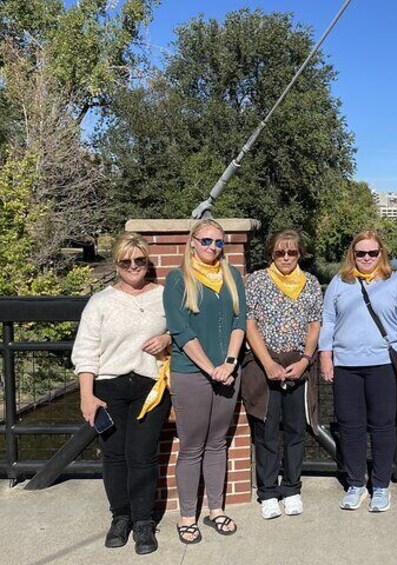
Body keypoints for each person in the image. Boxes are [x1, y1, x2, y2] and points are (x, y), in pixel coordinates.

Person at [72, 232, 172, 555]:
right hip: (109, 388)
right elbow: (86, 352)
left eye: (139, 260)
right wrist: (87, 395)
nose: (133, 266)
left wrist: (168, 339)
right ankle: (120, 516)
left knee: (142, 455)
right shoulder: (100, 302)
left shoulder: (163, 296)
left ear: (147, 261)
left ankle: (143, 521)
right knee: (114, 456)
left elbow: (185, 330)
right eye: (126, 261)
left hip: (150, 386)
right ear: (116, 264)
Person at [318, 230, 397, 512]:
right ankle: (356, 483)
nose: (366, 258)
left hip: (382, 364)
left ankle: (381, 485)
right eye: (360, 253)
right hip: (346, 365)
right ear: (353, 254)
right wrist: (326, 354)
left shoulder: (396, 281)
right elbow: (328, 318)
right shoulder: (340, 281)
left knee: (383, 427)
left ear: (381, 254)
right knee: (350, 427)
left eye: (372, 253)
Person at [164, 219, 246, 543]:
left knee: (217, 444)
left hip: (227, 371)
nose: (213, 247)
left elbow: (240, 320)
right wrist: (210, 368)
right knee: (191, 447)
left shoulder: (232, 276)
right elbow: (180, 330)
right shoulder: (177, 279)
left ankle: (216, 510)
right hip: (191, 375)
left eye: (219, 242)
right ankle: (187, 517)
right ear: (193, 242)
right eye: (207, 241)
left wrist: (229, 362)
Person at [242, 230, 322, 520]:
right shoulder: (257, 281)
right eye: (280, 252)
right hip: (265, 364)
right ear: (271, 254)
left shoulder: (311, 283)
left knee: (295, 430)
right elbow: (249, 324)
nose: (286, 257)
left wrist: (305, 360)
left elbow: (315, 324)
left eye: (292, 252)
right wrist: (268, 364)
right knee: (266, 430)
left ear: (300, 254)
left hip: (298, 364)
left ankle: (291, 488)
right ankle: (267, 491)